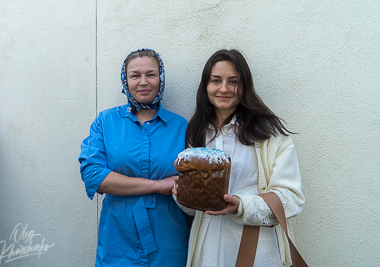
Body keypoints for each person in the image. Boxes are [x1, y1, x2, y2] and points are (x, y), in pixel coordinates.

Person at [173, 49, 305, 267]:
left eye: (233, 81)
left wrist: (240, 206)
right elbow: (193, 208)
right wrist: (182, 196)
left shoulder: (269, 135)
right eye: (216, 80)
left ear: (245, 86)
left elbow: (291, 199)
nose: (224, 89)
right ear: (205, 85)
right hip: (208, 247)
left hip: (257, 247)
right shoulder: (197, 132)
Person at [79, 48, 189, 267]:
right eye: (135, 75)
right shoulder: (105, 122)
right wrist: (158, 186)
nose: (143, 82)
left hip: (168, 235)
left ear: (161, 78)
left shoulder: (182, 127)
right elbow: (93, 175)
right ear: (125, 80)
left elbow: (194, 180)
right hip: (118, 236)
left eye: (151, 74)